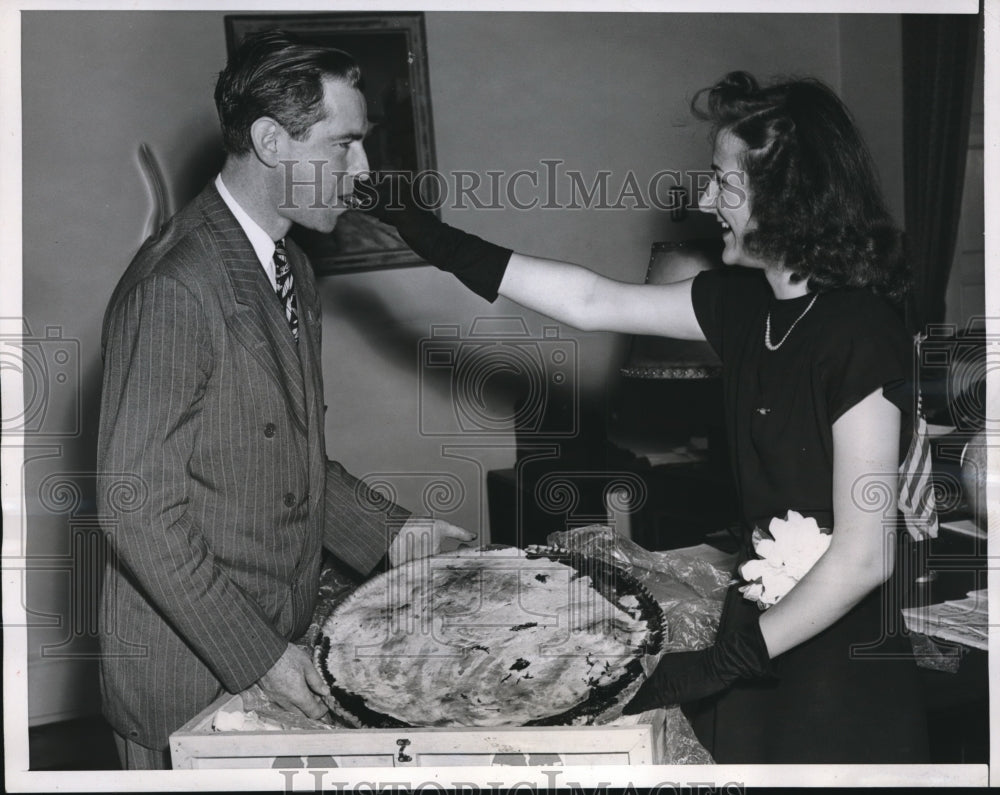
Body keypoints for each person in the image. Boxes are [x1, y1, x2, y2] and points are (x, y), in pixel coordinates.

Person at [361, 71, 929, 763]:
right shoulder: (743, 305)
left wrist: (721, 663)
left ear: (785, 195)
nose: (703, 198)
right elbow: (591, 300)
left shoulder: (859, 332)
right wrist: (433, 238)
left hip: (837, 667)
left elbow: (866, 556)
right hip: (762, 636)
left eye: (723, 181)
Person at [96, 30, 474, 770]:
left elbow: (282, 450)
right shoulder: (176, 284)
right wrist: (261, 656)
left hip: (268, 650)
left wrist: (396, 535)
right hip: (186, 683)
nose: (361, 171)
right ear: (272, 140)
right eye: (343, 145)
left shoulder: (291, 263)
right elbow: (134, 504)